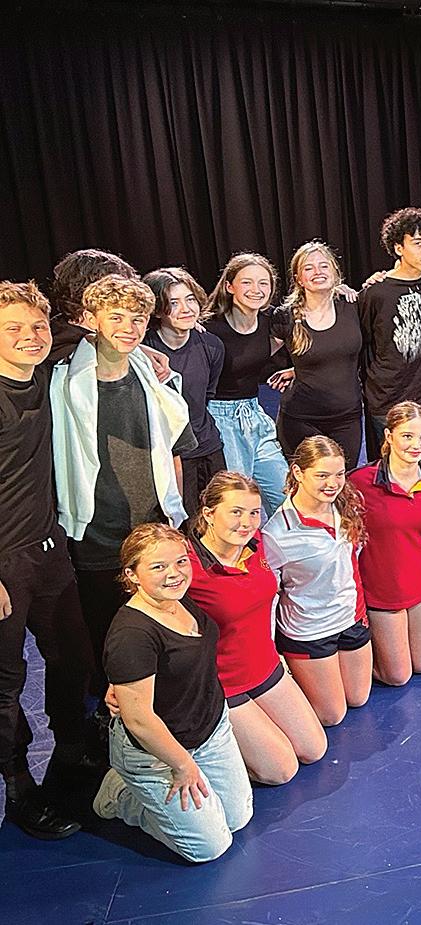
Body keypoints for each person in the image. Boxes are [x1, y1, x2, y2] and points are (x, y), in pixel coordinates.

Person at [53, 275, 195, 702]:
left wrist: (174, 524)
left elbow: (175, 451)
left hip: (151, 528)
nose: (129, 328)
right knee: (105, 633)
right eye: (116, 317)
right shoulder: (61, 382)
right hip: (95, 533)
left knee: (160, 623)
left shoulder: (154, 379)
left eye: (138, 319)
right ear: (91, 319)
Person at [93, 524, 253, 863]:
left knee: (238, 818)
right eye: (158, 566)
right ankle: (121, 793)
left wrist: (124, 680)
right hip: (157, 752)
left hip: (209, 729)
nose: (174, 573)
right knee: (209, 847)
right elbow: (138, 720)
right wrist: (182, 764)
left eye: (181, 561)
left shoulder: (178, 599)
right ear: (132, 575)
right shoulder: (132, 634)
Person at [0, 281, 94, 840]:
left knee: (71, 656)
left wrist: (152, 355)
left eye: (36, 326)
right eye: (12, 329)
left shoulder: (44, 370)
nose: (30, 337)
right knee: (6, 682)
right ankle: (18, 788)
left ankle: (72, 751)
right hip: (4, 564)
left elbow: (81, 329)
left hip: (48, 548)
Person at [186, 472, 325, 785]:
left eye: (253, 513)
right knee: (282, 770)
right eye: (235, 512)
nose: (246, 522)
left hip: (266, 667)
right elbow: (149, 616)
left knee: (313, 749)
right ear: (208, 513)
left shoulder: (258, 543)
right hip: (223, 685)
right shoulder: (188, 567)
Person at [263, 436, 372, 727]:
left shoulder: (346, 505)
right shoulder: (276, 533)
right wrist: (271, 650)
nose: (333, 484)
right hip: (309, 631)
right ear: (298, 473)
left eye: (339, 474)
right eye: (322, 475)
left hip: (351, 618)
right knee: (332, 715)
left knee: (358, 698)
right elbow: (269, 596)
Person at [349, 402, 421, 686]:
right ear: (389, 436)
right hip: (383, 587)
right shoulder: (360, 482)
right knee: (398, 676)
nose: (416, 445)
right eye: (407, 436)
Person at [204, 253, 289, 516]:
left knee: (285, 495)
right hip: (220, 418)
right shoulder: (209, 328)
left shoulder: (271, 321)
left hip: (254, 415)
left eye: (263, 283)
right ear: (229, 286)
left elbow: (314, 318)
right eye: (247, 282)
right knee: (238, 502)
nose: (256, 289)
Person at [357, 208, 421, 458]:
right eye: (417, 243)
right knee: (388, 466)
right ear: (398, 248)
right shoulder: (375, 292)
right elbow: (360, 342)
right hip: (387, 397)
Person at [144, 268, 226, 525]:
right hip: (172, 456)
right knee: (186, 526)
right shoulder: (144, 351)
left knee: (221, 518)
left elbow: (207, 394)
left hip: (209, 446)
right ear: (157, 310)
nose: (186, 309)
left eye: (190, 299)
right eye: (174, 303)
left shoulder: (211, 345)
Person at [269, 242, 363, 463]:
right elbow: (254, 354)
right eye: (308, 268)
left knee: (342, 479)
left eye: (324, 266)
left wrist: (378, 278)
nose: (318, 272)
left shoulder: (353, 305)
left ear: (335, 272)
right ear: (299, 279)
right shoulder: (285, 316)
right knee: (306, 480)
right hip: (300, 420)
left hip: (346, 419)